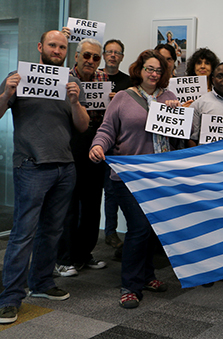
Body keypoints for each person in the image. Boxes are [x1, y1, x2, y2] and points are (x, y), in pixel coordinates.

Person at [0, 30, 89, 324]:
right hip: (31, 166)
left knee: (52, 231)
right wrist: (6, 95)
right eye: (52, 45)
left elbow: (82, 126)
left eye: (62, 46)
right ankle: (10, 297)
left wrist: (75, 102)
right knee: (23, 233)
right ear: (40, 47)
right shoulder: (19, 77)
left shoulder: (71, 82)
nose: (57, 50)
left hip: (65, 167)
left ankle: (41, 283)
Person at [89, 49, 179, 309]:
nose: (154, 74)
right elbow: (107, 129)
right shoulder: (123, 98)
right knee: (139, 227)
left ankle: (148, 275)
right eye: (149, 68)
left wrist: (176, 112)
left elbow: (184, 133)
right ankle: (130, 285)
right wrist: (98, 146)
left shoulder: (170, 97)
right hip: (128, 175)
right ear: (139, 70)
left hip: (160, 176)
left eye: (159, 70)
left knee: (152, 229)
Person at [55, 38, 109, 277]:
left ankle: (84, 254)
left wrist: (114, 101)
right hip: (69, 143)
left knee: (92, 203)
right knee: (68, 204)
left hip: (96, 144)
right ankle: (63, 258)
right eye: (86, 55)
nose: (90, 61)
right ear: (76, 56)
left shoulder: (105, 80)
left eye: (96, 57)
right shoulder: (62, 78)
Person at [101, 39, 131, 250]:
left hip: (119, 144)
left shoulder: (128, 83)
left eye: (117, 52)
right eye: (109, 52)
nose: (113, 55)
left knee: (115, 189)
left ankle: (117, 233)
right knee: (102, 193)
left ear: (122, 57)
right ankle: (109, 231)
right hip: (95, 141)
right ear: (104, 55)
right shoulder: (95, 78)